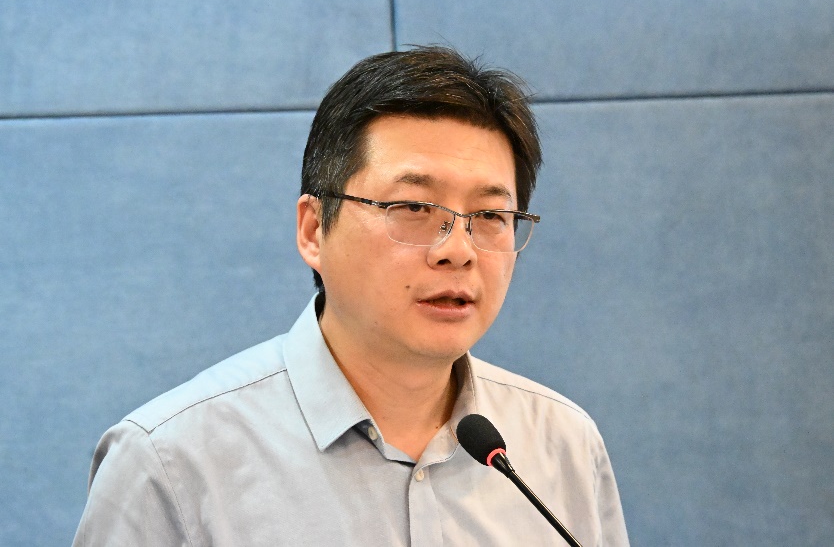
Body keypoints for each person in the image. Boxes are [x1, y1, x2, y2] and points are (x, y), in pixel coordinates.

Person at [73, 46, 629, 546]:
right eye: (413, 207)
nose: (458, 250)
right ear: (314, 229)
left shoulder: (563, 444)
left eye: (489, 215)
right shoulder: (169, 464)